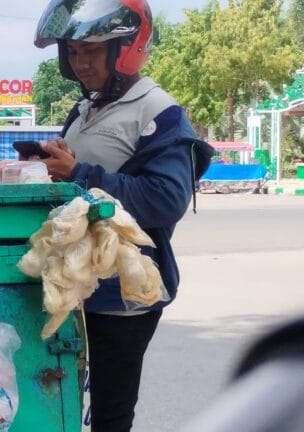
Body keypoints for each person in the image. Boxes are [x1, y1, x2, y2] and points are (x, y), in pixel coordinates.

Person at [31, 1, 214, 431]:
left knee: (111, 416)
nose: (81, 62)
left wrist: (80, 172)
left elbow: (166, 199)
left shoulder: (158, 111)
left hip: (123, 299)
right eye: (73, 51)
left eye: (92, 50)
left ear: (125, 49)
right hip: (75, 287)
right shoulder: (84, 110)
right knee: (63, 403)